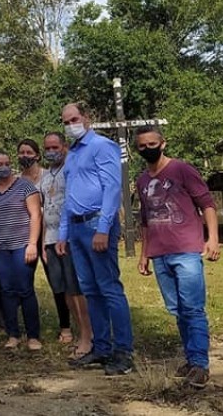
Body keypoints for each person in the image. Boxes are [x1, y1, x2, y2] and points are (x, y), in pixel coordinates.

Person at [135, 125, 220, 388]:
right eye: (142, 146)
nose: (148, 149)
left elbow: (207, 203)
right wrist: (144, 254)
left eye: (152, 144)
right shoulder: (141, 180)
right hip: (160, 253)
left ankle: (200, 364)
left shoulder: (181, 169)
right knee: (178, 310)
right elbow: (146, 220)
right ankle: (190, 357)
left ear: (163, 143)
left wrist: (213, 238)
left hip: (186, 250)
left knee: (193, 307)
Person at [56, 103, 134, 375]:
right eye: (65, 122)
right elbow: (69, 196)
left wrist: (103, 228)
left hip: (96, 223)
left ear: (86, 118)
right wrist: (63, 233)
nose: (70, 125)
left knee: (109, 288)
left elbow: (113, 188)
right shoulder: (73, 154)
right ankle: (101, 348)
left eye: (74, 119)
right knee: (89, 290)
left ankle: (123, 351)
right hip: (76, 228)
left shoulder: (102, 146)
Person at [38, 133, 93, 359]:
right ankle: (80, 332)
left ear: (65, 147)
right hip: (50, 239)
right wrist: (42, 242)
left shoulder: (71, 170)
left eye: (55, 147)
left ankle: (88, 335)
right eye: (48, 148)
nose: (51, 151)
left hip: (69, 237)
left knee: (76, 289)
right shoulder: (45, 175)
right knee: (62, 290)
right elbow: (43, 209)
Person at [0, 151, 42, 351]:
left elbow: (35, 216)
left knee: (25, 289)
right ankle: (13, 334)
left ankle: (33, 336)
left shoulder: (25, 187)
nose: (4, 167)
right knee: (7, 290)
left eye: (7, 163)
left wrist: (32, 244)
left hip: (22, 246)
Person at [19, 138, 72, 344]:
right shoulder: (17, 179)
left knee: (58, 283)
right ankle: (30, 330)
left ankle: (65, 326)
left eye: (28, 152)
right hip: (27, 237)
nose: (25, 156)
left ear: (37, 155)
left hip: (50, 236)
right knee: (25, 283)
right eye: (21, 152)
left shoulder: (46, 176)